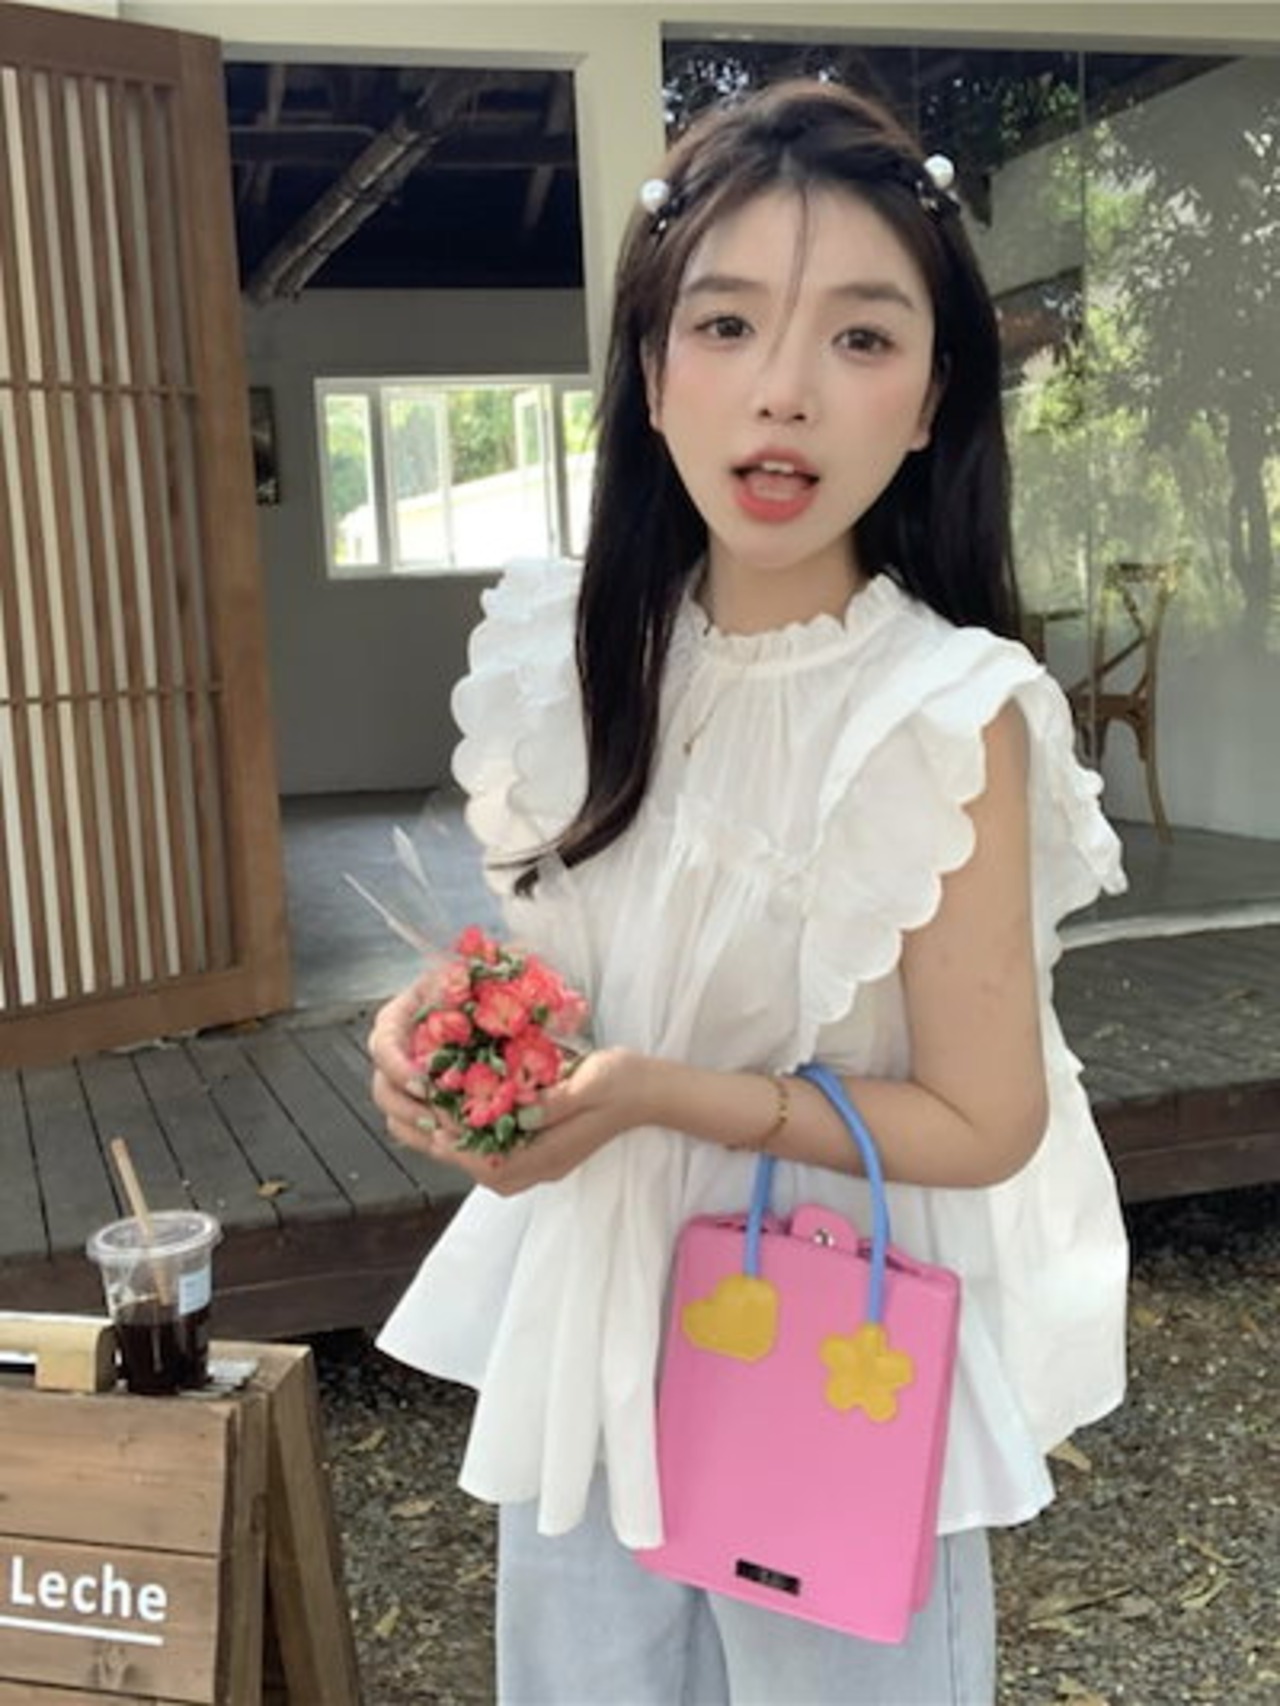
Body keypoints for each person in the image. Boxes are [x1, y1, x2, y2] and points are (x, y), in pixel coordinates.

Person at [370, 78, 1128, 1705]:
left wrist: (661, 1097)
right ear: (653, 373)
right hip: (596, 1313)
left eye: (861, 336)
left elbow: (985, 1117)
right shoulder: (569, 650)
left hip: (825, 1328)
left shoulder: (945, 713)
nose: (785, 391)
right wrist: (455, 1036)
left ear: (929, 400)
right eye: (726, 324)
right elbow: (566, 969)